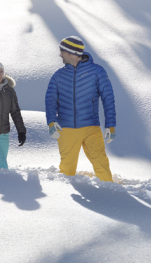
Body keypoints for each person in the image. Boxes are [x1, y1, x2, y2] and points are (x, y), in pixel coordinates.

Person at [44, 36, 117, 182]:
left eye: (62, 51)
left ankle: (111, 191)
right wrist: (51, 121)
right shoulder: (58, 75)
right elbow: (50, 100)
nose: (60, 55)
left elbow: (108, 98)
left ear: (72, 53)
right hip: (66, 128)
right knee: (67, 169)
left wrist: (111, 125)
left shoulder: (97, 71)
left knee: (101, 163)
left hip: (91, 127)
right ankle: (62, 195)